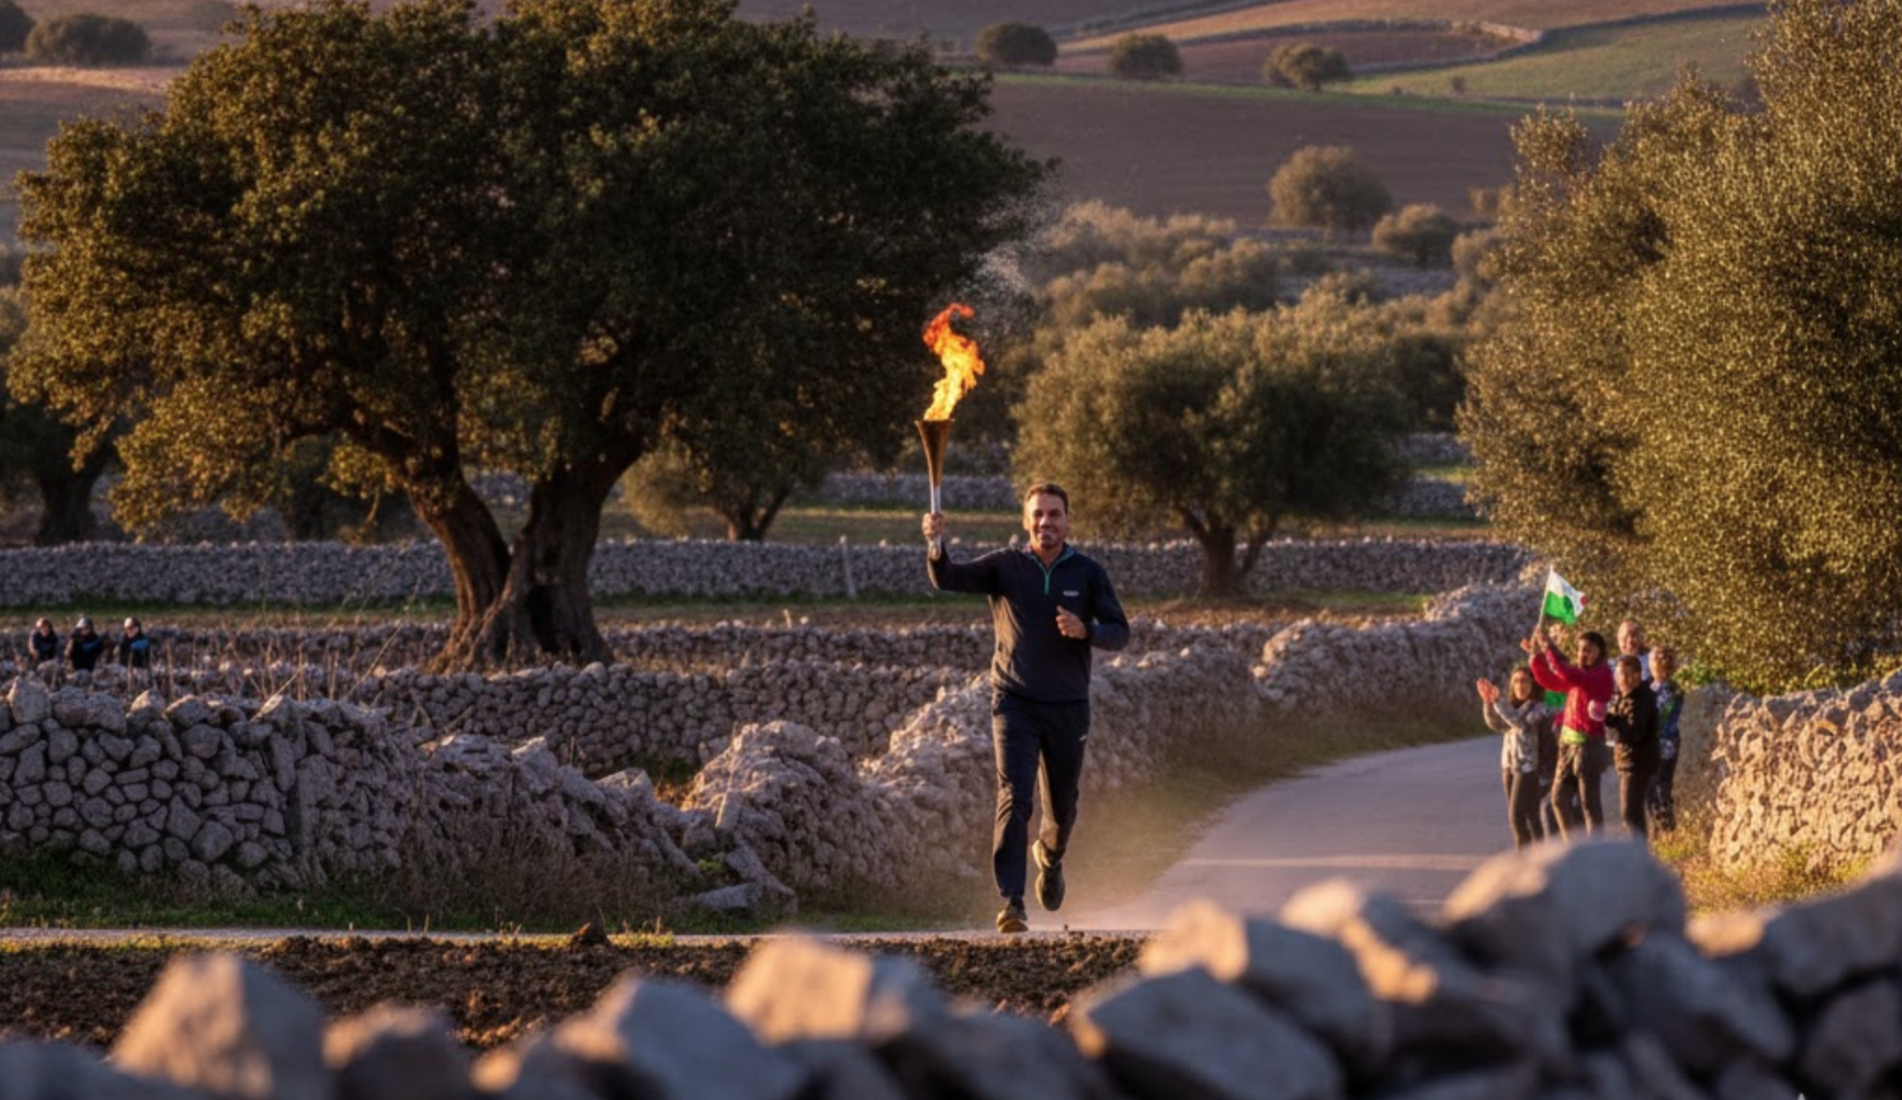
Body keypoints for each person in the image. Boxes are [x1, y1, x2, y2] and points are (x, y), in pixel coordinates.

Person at [923, 482, 1130, 934]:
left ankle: (1050, 858)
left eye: (1054, 514)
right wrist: (935, 544)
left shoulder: (1088, 573)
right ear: (1025, 521)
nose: (1045, 522)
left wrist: (1087, 630)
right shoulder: (1006, 566)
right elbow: (947, 577)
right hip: (1013, 701)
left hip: (1068, 707)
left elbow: (1120, 631)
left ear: (1067, 520)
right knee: (1014, 797)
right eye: (1037, 514)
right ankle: (1012, 902)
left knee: (1061, 810)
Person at [1525, 625, 1615, 839]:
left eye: (1589, 650)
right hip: (1567, 745)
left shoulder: (1601, 677)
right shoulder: (1579, 675)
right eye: (1581, 649)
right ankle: (1572, 845)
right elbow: (1549, 680)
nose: (1583, 654)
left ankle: (1596, 851)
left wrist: (1547, 648)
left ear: (1600, 653)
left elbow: (1565, 672)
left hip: (1588, 747)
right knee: (1558, 799)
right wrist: (1536, 657)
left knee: (1589, 803)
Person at [1476, 665, 1551, 849]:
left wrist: (1498, 702)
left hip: (1527, 769)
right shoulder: (1510, 708)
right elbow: (1498, 725)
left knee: (1516, 816)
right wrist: (1488, 703)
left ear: (1533, 684)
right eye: (1516, 681)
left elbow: (1520, 723)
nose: (1520, 685)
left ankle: (1524, 859)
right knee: (1531, 815)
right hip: (1508, 767)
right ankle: (1540, 858)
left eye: (1525, 681)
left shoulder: (1539, 709)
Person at [1603, 655, 1660, 838]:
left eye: (1630, 675)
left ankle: (1639, 856)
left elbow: (1635, 731)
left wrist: (1612, 720)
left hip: (1637, 763)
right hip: (1629, 761)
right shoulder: (1625, 696)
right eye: (1621, 675)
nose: (1625, 679)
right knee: (1631, 813)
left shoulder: (1641, 698)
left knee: (1630, 813)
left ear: (1639, 675)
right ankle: (1639, 853)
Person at [1646, 646, 1684, 832]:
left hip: (1664, 744)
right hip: (1655, 744)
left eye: (1659, 660)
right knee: (1653, 789)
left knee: (1659, 788)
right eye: (1654, 659)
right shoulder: (1649, 686)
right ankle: (1660, 829)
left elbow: (1660, 716)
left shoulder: (1672, 690)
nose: (1657, 664)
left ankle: (1666, 830)